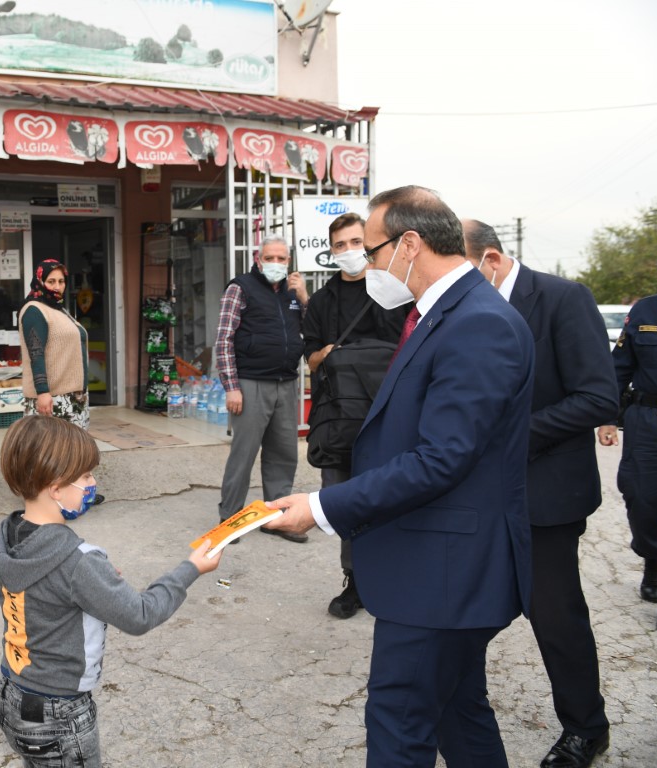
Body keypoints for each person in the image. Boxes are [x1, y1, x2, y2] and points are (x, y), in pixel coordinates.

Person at [263, 186, 535, 767]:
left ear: (411, 243)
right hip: (436, 564)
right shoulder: (443, 314)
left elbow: (443, 457)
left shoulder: (477, 323)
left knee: (400, 720)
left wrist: (321, 506)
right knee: (459, 712)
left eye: (376, 248)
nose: (371, 265)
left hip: (443, 570)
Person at [464, 219, 617, 768]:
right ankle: (455, 720)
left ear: (491, 260)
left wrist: (516, 438)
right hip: (477, 494)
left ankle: (585, 728)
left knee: (555, 617)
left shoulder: (560, 298)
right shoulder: (464, 309)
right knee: (463, 610)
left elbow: (598, 395)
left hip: (546, 493)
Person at [0, 414, 222, 767]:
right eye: (85, 476)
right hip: (59, 712)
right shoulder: (78, 561)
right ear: (55, 487)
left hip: (13, 698)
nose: (93, 482)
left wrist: (89, 585)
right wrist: (190, 569)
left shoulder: (7, 537)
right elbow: (140, 614)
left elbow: (38, 597)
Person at [302, 212, 408, 618]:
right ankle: (357, 582)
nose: (349, 251)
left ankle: (398, 577)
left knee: (395, 498)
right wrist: (326, 355)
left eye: (355, 242)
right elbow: (309, 360)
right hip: (339, 422)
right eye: (340, 245)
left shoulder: (396, 294)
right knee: (347, 504)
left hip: (389, 418)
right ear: (331, 252)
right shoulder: (323, 302)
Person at [214, 234, 309, 543]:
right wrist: (232, 387)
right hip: (251, 383)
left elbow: (309, 329)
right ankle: (230, 518)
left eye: (282, 259)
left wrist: (304, 297)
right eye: (271, 258)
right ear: (258, 259)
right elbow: (224, 339)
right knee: (244, 454)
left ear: (289, 261)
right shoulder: (240, 288)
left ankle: (278, 517)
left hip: (286, 382)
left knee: (284, 453)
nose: (276, 264)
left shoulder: (292, 293)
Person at [597, 249, 657, 634]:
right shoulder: (646, 313)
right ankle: (654, 556)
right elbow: (618, 369)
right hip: (649, 420)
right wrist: (607, 417)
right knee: (644, 497)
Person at [20, 259, 91, 427]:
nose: (57, 287)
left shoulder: (58, 309)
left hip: (73, 398)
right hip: (53, 400)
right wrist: (43, 393)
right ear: (40, 282)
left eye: (61, 281)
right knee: (52, 451)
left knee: (73, 451)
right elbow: (36, 355)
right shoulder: (34, 310)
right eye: (51, 281)